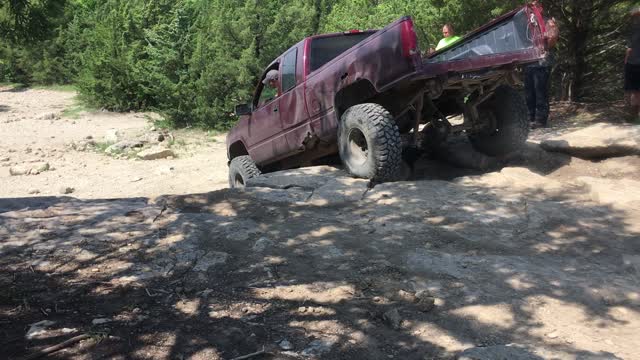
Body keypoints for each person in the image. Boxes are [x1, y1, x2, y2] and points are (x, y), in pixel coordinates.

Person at [525, 3, 558, 129]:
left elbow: (553, 38)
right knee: (529, 92)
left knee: (540, 92)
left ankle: (540, 120)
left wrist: (545, 47)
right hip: (529, 62)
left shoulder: (547, 21)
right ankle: (530, 118)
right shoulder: (528, 24)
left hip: (542, 62)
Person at [625, 6, 640, 123]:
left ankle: (634, 116)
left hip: (633, 63)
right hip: (634, 63)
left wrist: (625, 62)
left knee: (634, 91)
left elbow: (629, 49)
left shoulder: (633, 30)